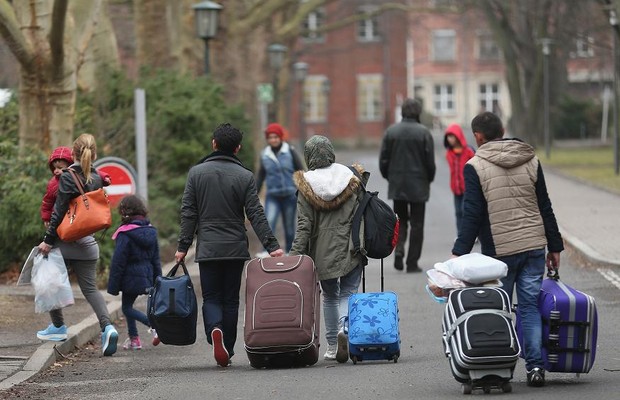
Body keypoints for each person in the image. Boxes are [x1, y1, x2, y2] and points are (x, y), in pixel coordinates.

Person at [451, 112, 563, 388]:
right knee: (529, 308)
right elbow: (544, 205)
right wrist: (555, 245)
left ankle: (500, 367)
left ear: (478, 136)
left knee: (498, 310)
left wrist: (459, 252)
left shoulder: (474, 165)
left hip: (499, 252)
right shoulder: (530, 158)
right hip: (534, 245)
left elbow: (473, 214)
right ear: (502, 130)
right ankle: (536, 367)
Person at [175, 123, 284, 368]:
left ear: (214, 143)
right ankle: (229, 348)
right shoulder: (244, 176)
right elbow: (255, 213)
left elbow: (188, 213)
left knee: (211, 296)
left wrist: (183, 246)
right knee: (231, 299)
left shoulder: (196, 173)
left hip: (208, 248)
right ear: (237, 148)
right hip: (235, 247)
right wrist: (271, 245)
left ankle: (215, 329)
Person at [37, 133, 120, 357]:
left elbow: (59, 211)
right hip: (89, 244)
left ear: (72, 153)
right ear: (95, 154)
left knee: (48, 280)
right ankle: (108, 328)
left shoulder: (67, 177)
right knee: (91, 290)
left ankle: (57, 327)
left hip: (65, 242)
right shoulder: (96, 177)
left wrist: (47, 241)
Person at [289, 135, 368, 364]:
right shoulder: (351, 178)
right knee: (349, 293)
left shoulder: (307, 185)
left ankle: (333, 345)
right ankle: (346, 329)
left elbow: (304, 226)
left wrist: (294, 257)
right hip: (352, 245)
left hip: (322, 252)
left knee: (330, 297)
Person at [379, 98, 436, 273]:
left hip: (398, 184)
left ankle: (399, 250)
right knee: (417, 224)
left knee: (400, 221)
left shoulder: (391, 132)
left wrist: (390, 177)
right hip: (419, 184)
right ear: (418, 112)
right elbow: (430, 163)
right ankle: (412, 262)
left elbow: (383, 160)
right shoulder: (424, 133)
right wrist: (428, 179)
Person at [107, 195, 162, 350]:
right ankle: (134, 339)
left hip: (129, 276)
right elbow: (156, 259)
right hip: (146, 275)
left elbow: (118, 261)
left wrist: (113, 285)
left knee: (126, 308)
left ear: (124, 211)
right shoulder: (150, 231)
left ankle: (154, 326)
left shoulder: (125, 233)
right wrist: (158, 280)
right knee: (128, 305)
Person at [255, 123, 305, 255]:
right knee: (269, 222)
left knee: (289, 227)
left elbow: (300, 170)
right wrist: (254, 194)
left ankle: (289, 251)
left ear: (281, 137)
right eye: (270, 137)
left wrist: (303, 190)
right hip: (273, 196)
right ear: (267, 139)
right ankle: (267, 250)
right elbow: (261, 175)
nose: (273, 140)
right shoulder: (265, 154)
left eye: (276, 137)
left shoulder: (290, 151)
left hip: (290, 195)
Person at [41, 146, 111, 228]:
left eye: (60, 168)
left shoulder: (77, 176)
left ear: (71, 167)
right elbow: (48, 202)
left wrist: (104, 178)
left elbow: (91, 173)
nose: (56, 171)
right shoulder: (53, 184)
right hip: (62, 219)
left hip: (81, 214)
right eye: (54, 168)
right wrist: (46, 218)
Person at [443, 123, 475, 236]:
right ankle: (460, 235)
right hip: (456, 188)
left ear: (458, 136)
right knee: (458, 212)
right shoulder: (449, 153)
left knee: (466, 211)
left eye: (452, 136)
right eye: (448, 137)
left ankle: (470, 234)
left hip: (467, 187)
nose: (449, 139)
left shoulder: (468, 152)